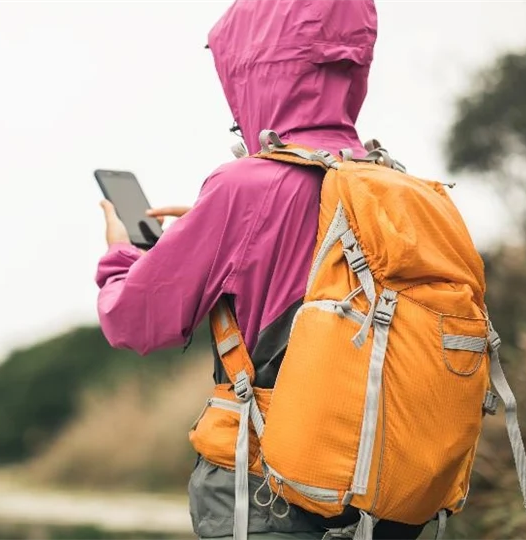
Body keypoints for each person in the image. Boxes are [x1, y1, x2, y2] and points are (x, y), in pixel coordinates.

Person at [95, 0, 384, 538]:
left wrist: (123, 256)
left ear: (252, 68)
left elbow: (133, 321)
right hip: (384, 481)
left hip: (269, 483)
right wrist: (213, 234)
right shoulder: (392, 182)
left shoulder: (246, 186)